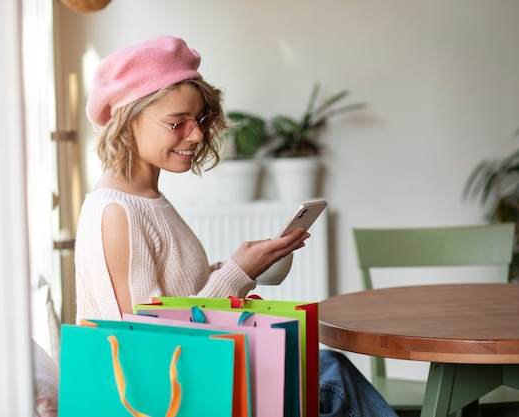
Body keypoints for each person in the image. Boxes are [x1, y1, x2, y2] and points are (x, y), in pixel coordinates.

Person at [75, 35, 397, 417]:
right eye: (177, 123)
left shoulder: (143, 199)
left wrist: (239, 266)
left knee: (329, 370)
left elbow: (172, 300)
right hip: (178, 396)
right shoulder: (116, 213)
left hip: (193, 381)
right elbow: (145, 353)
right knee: (332, 377)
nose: (195, 135)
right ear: (127, 122)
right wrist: (237, 273)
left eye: (199, 120)